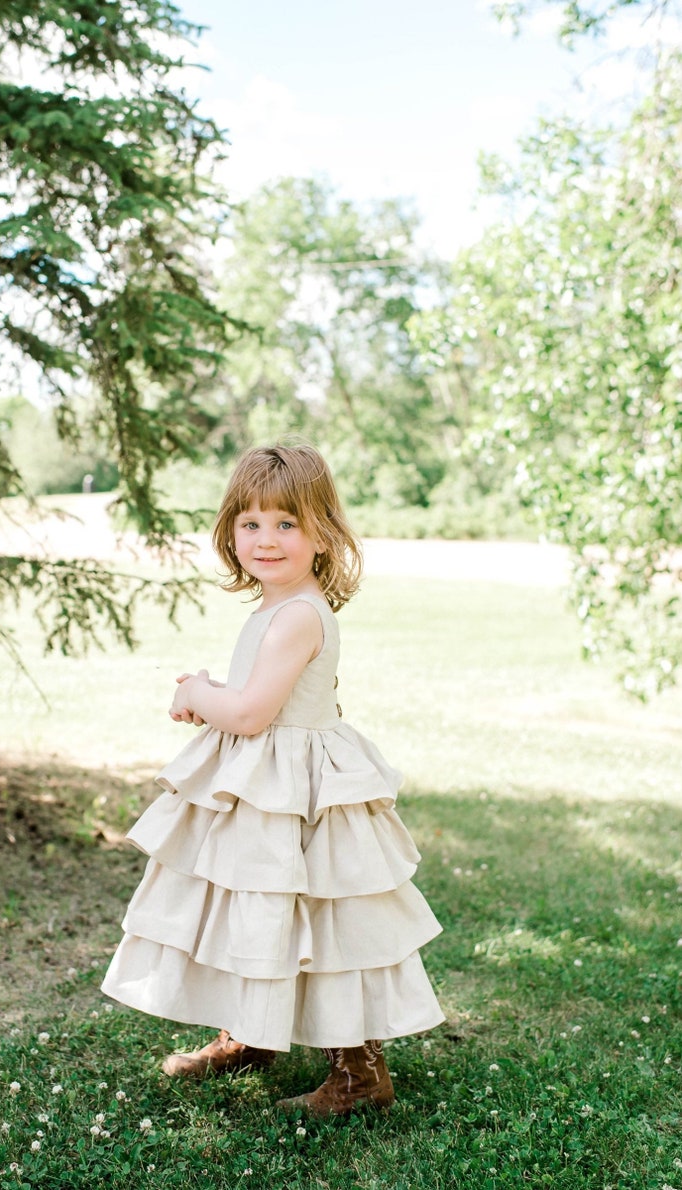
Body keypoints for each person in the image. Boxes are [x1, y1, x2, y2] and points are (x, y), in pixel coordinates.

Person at [101, 443, 444, 1116]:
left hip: (299, 792)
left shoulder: (298, 615)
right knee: (253, 903)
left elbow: (253, 715)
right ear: (230, 531)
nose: (266, 539)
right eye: (251, 522)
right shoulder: (280, 607)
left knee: (328, 918)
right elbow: (263, 701)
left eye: (287, 523)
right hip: (270, 783)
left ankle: (359, 1074)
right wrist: (216, 692)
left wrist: (200, 693)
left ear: (322, 534)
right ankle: (253, 1031)